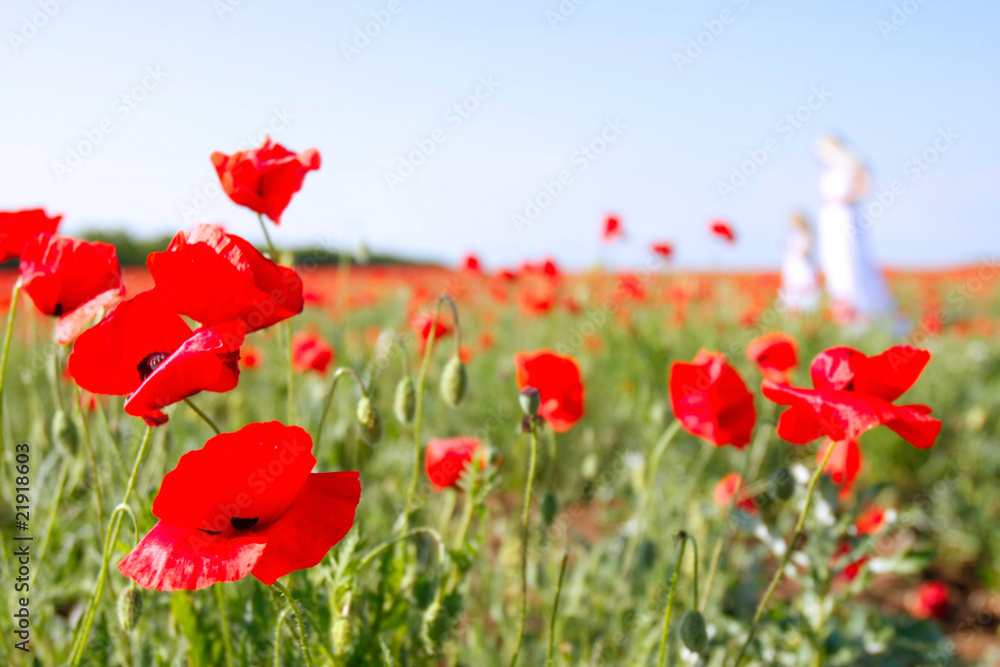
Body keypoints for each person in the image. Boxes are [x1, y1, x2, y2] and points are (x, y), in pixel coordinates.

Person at [815, 135, 895, 324]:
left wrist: (851, 199)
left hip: (845, 217)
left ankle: (860, 314)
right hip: (830, 219)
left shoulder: (851, 166)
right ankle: (843, 311)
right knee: (833, 263)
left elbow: (866, 184)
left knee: (848, 262)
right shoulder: (831, 169)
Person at [779, 211, 819, 312]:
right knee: (791, 297)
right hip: (793, 269)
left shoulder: (807, 234)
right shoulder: (792, 235)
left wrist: (792, 248)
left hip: (802, 269)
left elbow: (805, 251)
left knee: (805, 298)